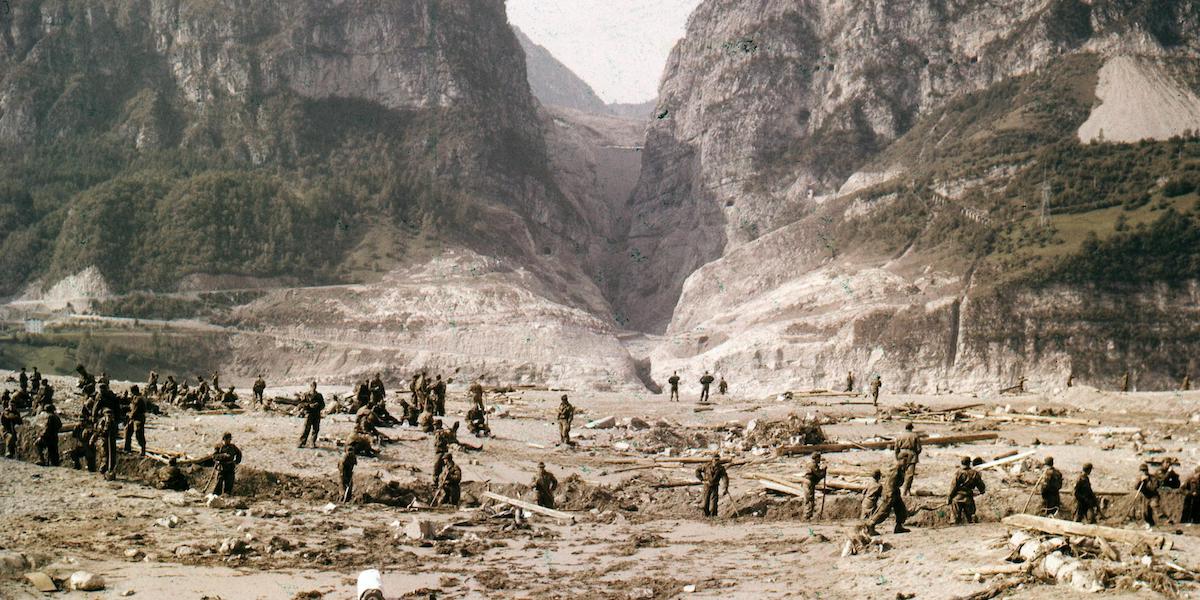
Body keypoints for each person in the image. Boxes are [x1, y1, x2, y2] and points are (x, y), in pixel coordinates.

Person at [869, 459, 909, 534]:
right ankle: (871, 525)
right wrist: (890, 496)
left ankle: (899, 526)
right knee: (884, 511)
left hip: (895, 491)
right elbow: (892, 483)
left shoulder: (899, 469)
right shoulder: (895, 471)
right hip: (890, 493)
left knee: (901, 509)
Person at [948, 457, 986, 524]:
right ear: (969, 463)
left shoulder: (958, 473)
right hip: (968, 498)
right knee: (971, 519)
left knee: (954, 521)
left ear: (961, 463)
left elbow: (953, 487)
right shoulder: (974, 473)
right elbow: (981, 485)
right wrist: (982, 491)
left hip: (957, 499)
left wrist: (949, 498)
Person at [695, 453, 729, 517]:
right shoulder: (706, 466)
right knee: (705, 504)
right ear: (712, 459)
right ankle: (706, 516)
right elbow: (697, 471)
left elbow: (725, 478)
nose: (716, 461)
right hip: (706, 487)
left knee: (713, 505)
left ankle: (714, 517)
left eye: (718, 460)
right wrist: (702, 480)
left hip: (714, 487)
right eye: (715, 460)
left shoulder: (721, 468)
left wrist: (725, 487)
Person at [893, 423, 921, 496]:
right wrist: (915, 453)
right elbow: (919, 449)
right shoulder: (915, 436)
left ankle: (899, 489)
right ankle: (906, 490)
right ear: (911, 428)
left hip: (901, 455)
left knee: (901, 473)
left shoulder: (899, 436)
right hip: (912, 455)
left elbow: (896, 448)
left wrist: (897, 457)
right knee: (910, 474)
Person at [298, 382, 325, 448]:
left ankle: (312, 443)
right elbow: (302, 404)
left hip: (317, 414)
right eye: (312, 386)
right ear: (310, 386)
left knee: (315, 429)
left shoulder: (319, 395)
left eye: (315, 386)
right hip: (309, 413)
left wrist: (317, 405)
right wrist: (309, 405)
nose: (314, 387)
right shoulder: (306, 395)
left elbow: (323, 405)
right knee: (306, 428)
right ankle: (302, 442)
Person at [803, 452, 827, 519]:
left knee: (809, 499)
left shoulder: (810, 464)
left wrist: (822, 470)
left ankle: (808, 515)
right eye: (819, 458)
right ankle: (807, 516)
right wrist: (824, 470)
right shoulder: (813, 465)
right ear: (816, 458)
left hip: (807, 483)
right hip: (809, 483)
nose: (819, 460)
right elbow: (819, 475)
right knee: (809, 499)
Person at [98, 406, 119, 480]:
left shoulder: (113, 421)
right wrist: (106, 426)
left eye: (110, 413)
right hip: (104, 440)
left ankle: (111, 471)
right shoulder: (102, 421)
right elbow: (100, 431)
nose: (109, 415)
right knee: (105, 457)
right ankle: (103, 472)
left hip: (112, 440)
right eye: (107, 413)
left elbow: (116, 431)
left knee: (112, 457)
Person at [124, 390, 147, 455]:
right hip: (134, 418)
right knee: (127, 431)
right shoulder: (135, 398)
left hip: (138, 418)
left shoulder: (139, 399)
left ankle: (142, 450)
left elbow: (135, 410)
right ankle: (127, 448)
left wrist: (130, 415)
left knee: (139, 434)